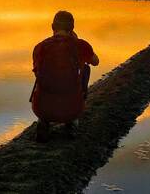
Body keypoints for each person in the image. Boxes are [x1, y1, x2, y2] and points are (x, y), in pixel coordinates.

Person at [30, 11, 99, 142]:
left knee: (42, 75)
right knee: (86, 69)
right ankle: (72, 122)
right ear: (72, 28)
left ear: (52, 27)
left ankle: (44, 122)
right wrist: (77, 43)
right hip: (72, 109)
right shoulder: (80, 45)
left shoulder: (40, 47)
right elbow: (96, 61)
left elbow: (37, 73)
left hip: (41, 108)